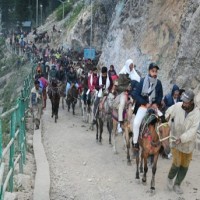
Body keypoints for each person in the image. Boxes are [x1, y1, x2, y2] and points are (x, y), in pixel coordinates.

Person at [166, 89, 200, 194]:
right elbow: (168, 112)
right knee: (176, 163)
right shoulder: (177, 106)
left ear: (191, 102)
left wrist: (182, 138)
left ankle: (177, 184)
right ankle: (170, 178)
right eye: (183, 101)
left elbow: (193, 131)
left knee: (184, 165)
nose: (184, 103)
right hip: (175, 140)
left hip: (187, 144)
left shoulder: (197, 114)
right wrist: (167, 118)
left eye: (186, 102)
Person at [132, 63, 163, 149]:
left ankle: (163, 144)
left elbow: (160, 95)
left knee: (163, 121)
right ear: (149, 71)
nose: (155, 73)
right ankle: (135, 143)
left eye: (156, 72)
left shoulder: (159, 83)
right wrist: (145, 103)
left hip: (154, 107)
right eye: (153, 71)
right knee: (136, 123)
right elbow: (136, 95)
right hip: (143, 107)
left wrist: (156, 103)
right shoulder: (142, 81)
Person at [117, 59, 140, 131]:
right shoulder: (122, 74)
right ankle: (120, 122)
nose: (131, 68)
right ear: (127, 66)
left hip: (133, 93)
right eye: (130, 66)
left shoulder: (134, 74)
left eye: (132, 66)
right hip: (124, 92)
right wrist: (126, 88)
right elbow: (118, 86)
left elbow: (138, 83)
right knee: (122, 104)